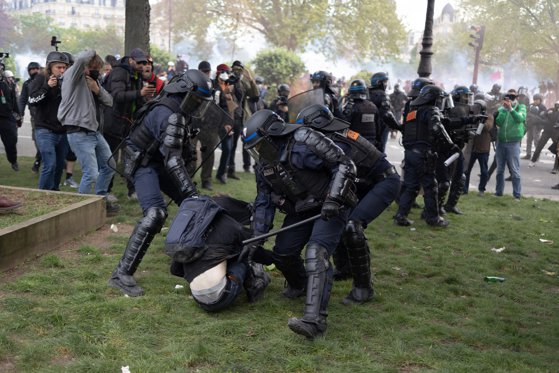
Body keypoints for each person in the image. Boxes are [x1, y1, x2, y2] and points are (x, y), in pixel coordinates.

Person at [242, 109, 357, 340]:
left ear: (274, 134)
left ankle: (314, 321)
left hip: (332, 205)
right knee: (283, 253)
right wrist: (256, 237)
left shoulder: (306, 138)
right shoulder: (264, 164)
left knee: (316, 252)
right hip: (302, 209)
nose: (259, 153)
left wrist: (334, 199)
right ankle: (302, 285)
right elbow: (264, 201)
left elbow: (345, 165)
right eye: (254, 149)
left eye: (261, 146)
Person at [108, 69, 212, 297]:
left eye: (200, 102)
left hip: (158, 161)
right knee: (156, 213)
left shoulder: (178, 112)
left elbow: (177, 157)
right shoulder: (168, 114)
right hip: (143, 164)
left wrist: (191, 196)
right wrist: (189, 191)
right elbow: (173, 160)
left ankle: (189, 260)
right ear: (182, 93)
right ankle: (121, 274)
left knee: (197, 207)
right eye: (195, 100)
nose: (197, 106)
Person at [295, 104, 400, 304]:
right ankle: (345, 269)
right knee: (339, 215)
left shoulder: (338, 141)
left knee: (353, 226)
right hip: (362, 181)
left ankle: (363, 288)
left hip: (384, 181)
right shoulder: (331, 136)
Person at [169, 195, 271, 311]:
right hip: (222, 297)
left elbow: (175, 270)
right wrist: (275, 259)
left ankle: (220, 279)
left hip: (198, 298)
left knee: (224, 254)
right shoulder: (230, 225)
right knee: (244, 252)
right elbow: (256, 252)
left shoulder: (191, 232)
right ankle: (255, 285)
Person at [57, 49, 119, 213]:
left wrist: (97, 89)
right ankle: (80, 211)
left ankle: (100, 199)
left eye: (98, 70)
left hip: (94, 132)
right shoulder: (72, 76)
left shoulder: (92, 81)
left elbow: (110, 101)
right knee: (91, 173)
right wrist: (92, 52)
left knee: (109, 166)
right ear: (85, 66)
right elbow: (81, 59)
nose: (96, 72)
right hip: (78, 133)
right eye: (94, 68)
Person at [394, 85, 458, 227]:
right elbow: (437, 128)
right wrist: (450, 145)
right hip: (424, 154)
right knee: (431, 186)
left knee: (411, 186)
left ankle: (400, 216)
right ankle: (433, 218)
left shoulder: (412, 111)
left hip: (410, 153)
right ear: (432, 99)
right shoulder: (431, 110)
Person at [103, 48, 156, 199]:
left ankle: (132, 190)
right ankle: (106, 191)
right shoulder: (119, 72)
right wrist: (140, 93)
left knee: (131, 157)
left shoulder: (136, 74)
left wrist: (147, 100)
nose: (142, 65)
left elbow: (137, 100)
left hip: (128, 123)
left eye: (144, 62)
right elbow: (117, 96)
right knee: (110, 159)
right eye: (139, 62)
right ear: (131, 60)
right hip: (113, 123)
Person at [28, 51, 70, 190]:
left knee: (59, 166)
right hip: (45, 129)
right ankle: (41, 196)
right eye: (59, 67)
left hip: (62, 130)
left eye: (64, 67)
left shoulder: (67, 80)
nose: (62, 70)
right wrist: (47, 87)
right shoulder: (40, 78)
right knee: (49, 164)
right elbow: (32, 100)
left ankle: (54, 192)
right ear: (50, 67)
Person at [228, 60, 260, 176]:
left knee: (247, 143)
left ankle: (247, 166)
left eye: (239, 70)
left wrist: (251, 79)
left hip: (243, 118)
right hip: (232, 117)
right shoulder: (228, 79)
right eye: (235, 69)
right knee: (232, 145)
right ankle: (230, 169)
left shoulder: (243, 83)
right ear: (232, 69)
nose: (237, 72)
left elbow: (255, 95)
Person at [494, 89, 526, 200]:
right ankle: (498, 192)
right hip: (501, 142)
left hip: (513, 143)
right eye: (508, 97)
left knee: (514, 170)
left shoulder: (521, 107)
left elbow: (520, 119)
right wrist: (504, 110)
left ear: (517, 98)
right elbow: (498, 122)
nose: (510, 99)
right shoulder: (502, 109)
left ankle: (517, 195)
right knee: (499, 170)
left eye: (513, 97)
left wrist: (511, 109)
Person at [463, 99, 494, 196]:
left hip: (483, 148)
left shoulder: (489, 116)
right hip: (472, 147)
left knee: (484, 171)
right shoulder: (472, 115)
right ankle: (464, 189)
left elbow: (487, 127)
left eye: (478, 107)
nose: (475, 109)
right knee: (466, 170)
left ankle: (481, 190)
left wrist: (479, 120)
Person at [214, 63, 237, 184]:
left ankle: (222, 173)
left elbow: (232, 108)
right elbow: (216, 109)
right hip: (220, 123)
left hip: (229, 122)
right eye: (224, 72)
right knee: (226, 148)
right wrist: (224, 124)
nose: (226, 75)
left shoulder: (227, 88)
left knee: (228, 149)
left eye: (227, 72)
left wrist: (229, 96)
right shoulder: (217, 90)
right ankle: (219, 173)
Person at [18, 61, 42, 173]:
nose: (35, 71)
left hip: (48, 116)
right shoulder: (27, 84)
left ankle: (38, 161)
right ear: (29, 71)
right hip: (35, 117)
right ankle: (39, 159)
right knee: (37, 140)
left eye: (36, 69)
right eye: (32, 69)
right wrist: (20, 114)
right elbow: (22, 99)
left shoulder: (45, 80)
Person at [341, 79, 380, 147]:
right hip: (371, 145)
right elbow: (378, 126)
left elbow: (343, 127)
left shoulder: (350, 107)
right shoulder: (373, 106)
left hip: (355, 143)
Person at [368, 72, 400, 152]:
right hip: (380, 129)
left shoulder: (366, 92)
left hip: (367, 129)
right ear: (379, 82)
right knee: (380, 153)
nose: (386, 84)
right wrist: (398, 127)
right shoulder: (382, 95)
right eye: (385, 82)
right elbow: (387, 115)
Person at [0, 61, 21, 171]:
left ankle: (13, 160)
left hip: (7, 117)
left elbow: (14, 102)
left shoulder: (8, 84)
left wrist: (18, 117)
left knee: (11, 141)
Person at [523, 93, 547, 159]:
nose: (535, 101)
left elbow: (544, 117)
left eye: (537, 100)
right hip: (530, 125)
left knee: (536, 141)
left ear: (540, 100)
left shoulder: (543, 107)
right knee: (529, 140)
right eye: (534, 100)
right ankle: (528, 154)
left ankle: (537, 155)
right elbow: (527, 112)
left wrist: (537, 118)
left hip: (537, 126)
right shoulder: (531, 105)